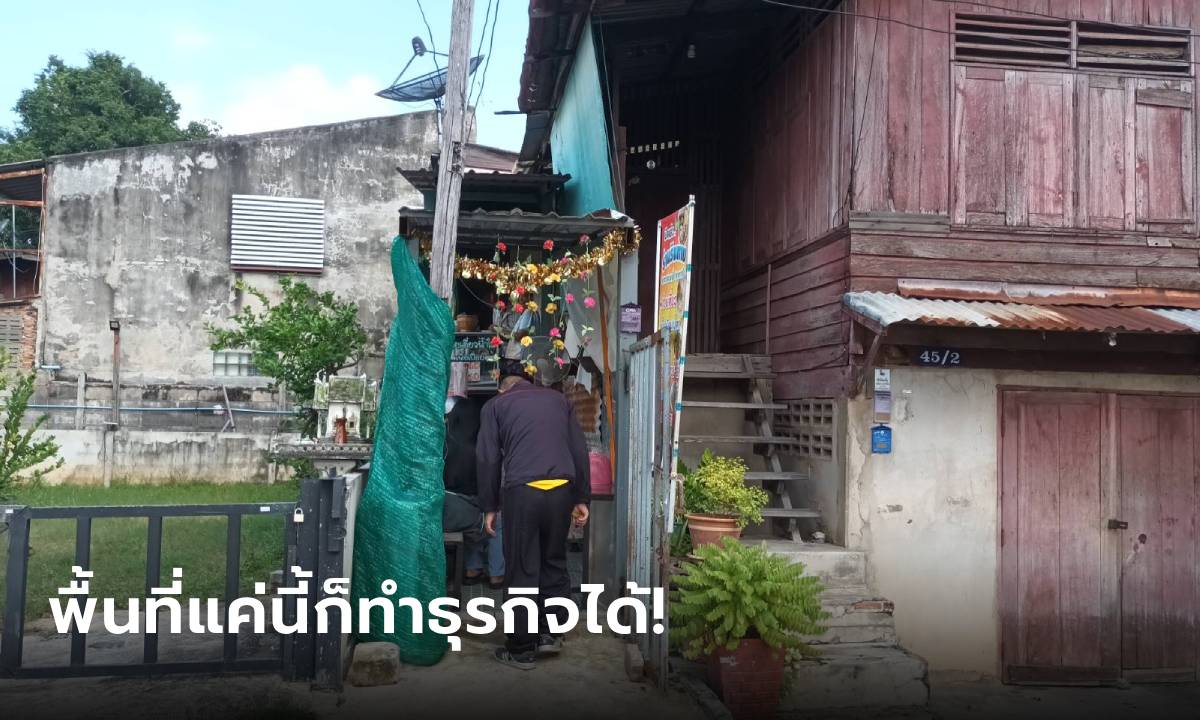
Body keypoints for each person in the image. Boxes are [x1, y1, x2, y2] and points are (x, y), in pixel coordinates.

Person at [476, 360, 591, 670]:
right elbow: (579, 450)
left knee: (523, 567)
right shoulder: (559, 401)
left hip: (523, 491)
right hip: (561, 490)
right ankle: (551, 634)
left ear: (502, 385)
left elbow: (487, 458)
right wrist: (581, 497)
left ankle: (522, 649)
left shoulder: (496, 406)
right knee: (553, 561)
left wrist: (489, 506)